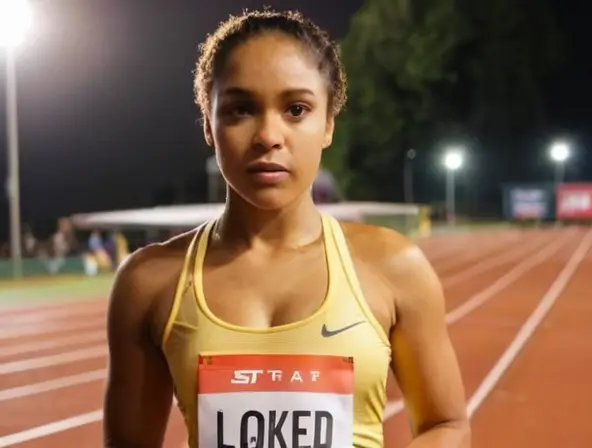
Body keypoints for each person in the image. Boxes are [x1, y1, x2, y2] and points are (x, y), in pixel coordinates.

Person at [102, 8, 469, 448]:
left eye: (296, 109)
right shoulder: (148, 283)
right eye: (241, 109)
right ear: (208, 125)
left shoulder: (394, 267)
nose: (268, 136)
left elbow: (446, 425)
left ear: (328, 124)